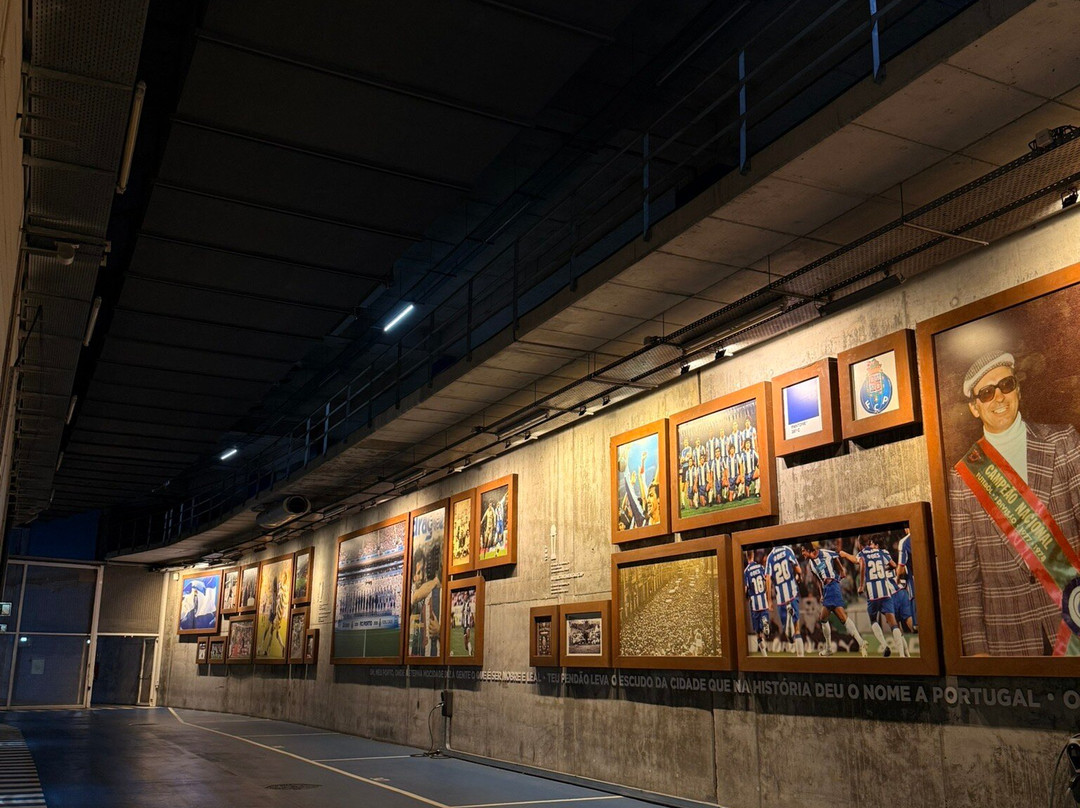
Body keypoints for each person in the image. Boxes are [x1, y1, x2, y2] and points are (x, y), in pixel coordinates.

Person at [948, 350, 1080, 656]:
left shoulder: (1064, 442)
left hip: (1074, 619)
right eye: (986, 392)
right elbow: (967, 578)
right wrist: (977, 652)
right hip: (1008, 638)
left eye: (1006, 385)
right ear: (974, 408)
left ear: (1017, 390)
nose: (999, 397)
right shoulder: (962, 478)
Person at [802, 542, 868, 657]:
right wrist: (822, 594)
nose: (802, 553)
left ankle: (856, 643)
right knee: (830, 618)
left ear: (808, 550)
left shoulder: (824, 553)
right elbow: (818, 580)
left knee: (832, 618)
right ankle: (857, 643)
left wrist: (841, 570)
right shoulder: (811, 564)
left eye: (803, 550)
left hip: (833, 585)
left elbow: (836, 556)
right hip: (827, 589)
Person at [857, 536, 907, 657]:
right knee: (893, 624)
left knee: (873, 619)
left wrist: (861, 585)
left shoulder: (862, 553)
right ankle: (901, 655)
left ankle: (884, 646)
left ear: (860, 544)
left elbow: (862, 563)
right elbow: (894, 565)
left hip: (873, 595)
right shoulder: (881, 552)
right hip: (886, 593)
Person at [765, 544, 804, 657]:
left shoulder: (770, 557)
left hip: (781, 599)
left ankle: (788, 624)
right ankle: (801, 658)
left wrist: (769, 600)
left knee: (789, 637)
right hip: (792, 593)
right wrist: (799, 576)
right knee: (797, 628)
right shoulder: (787, 550)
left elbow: (767, 579)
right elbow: (798, 569)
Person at [743, 551, 771, 656]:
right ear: (753, 555)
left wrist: (745, 598)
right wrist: (768, 596)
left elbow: (745, 589)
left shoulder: (746, 571)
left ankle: (765, 656)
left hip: (754, 604)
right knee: (765, 627)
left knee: (758, 633)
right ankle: (765, 621)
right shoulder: (761, 568)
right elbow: (766, 581)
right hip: (763, 600)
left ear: (746, 557)